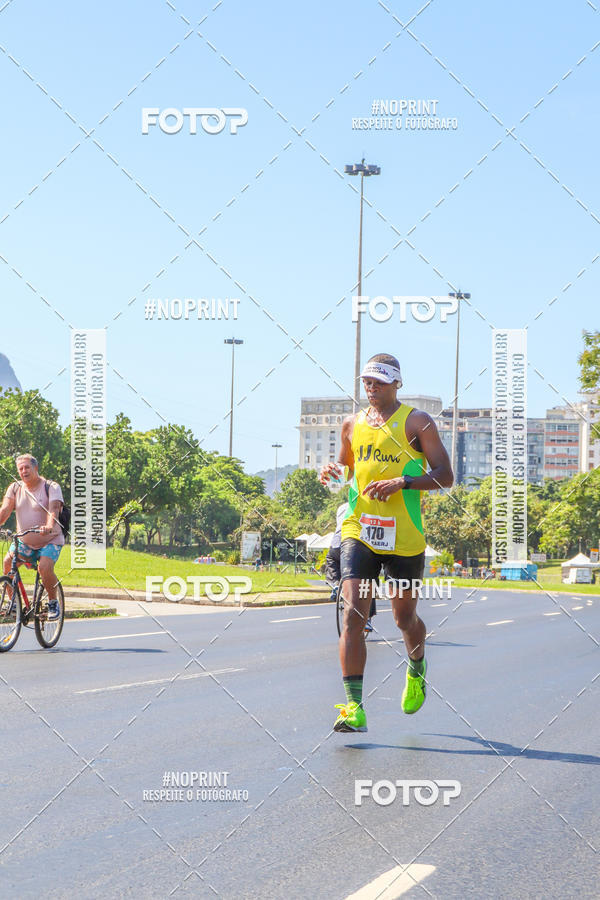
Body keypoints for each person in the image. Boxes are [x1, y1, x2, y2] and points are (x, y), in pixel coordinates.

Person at [320, 354, 453, 733]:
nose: (372, 388)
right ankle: (353, 708)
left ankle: (416, 667)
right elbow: (347, 472)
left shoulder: (417, 422)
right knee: (352, 615)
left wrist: (403, 482)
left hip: (404, 534)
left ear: (397, 383)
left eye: (379, 381)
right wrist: (331, 471)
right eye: (367, 382)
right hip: (359, 528)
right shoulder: (351, 424)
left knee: (403, 618)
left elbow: (446, 476)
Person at [0, 454, 65, 618]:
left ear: (36, 468)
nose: (23, 471)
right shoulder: (15, 488)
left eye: (27, 467)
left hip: (50, 539)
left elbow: (54, 510)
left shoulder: (51, 487)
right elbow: (5, 510)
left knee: (44, 568)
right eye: (20, 469)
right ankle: (13, 603)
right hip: (25, 541)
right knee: (7, 563)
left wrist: (49, 526)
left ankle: (53, 602)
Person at [324, 501, 377, 632]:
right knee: (369, 580)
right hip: (356, 546)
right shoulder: (367, 505)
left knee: (331, 560)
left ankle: (335, 585)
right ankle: (367, 619)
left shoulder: (341, 507)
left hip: (336, 544)